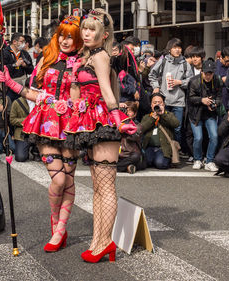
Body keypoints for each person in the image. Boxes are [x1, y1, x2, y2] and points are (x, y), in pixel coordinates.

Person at [0, 16, 84, 253]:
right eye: (63, 35)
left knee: (69, 179)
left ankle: (59, 231)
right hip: (46, 123)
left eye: (71, 37)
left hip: (71, 124)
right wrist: (11, 83)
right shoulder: (46, 59)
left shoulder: (83, 62)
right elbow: (37, 93)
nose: (66, 41)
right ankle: (56, 223)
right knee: (58, 179)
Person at [64, 9, 136, 262]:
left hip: (104, 122)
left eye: (92, 29)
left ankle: (105, 242)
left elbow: (107, 91)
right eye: (84, 27)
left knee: (105, 187)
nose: (86, 32)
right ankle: (98, 240)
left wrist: (119, 119)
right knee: (96, 187)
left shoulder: (102, 56)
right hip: (90, 123)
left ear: (104, 34)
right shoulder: (88, 56)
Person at [148, 38, 193, 145]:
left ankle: (175, 151)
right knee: (163, 126)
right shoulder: (163, 61)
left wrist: (180, 82)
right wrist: (156, 86)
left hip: (179, 101)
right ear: (169, 49)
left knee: (177, 127)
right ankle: (164, 149)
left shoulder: (185, 64)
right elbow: (152, 75)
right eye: (174, 48)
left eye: (179, 47)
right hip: (164, 101)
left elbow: (191, 81)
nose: (177, 50)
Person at [187, 58, 221, 171]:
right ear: (202, 72)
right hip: (195, 113)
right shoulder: (194, 81)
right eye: (206, 73)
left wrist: (215, 103)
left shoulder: (217, 80)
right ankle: (197, 159)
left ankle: (209, 160)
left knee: (214, 136)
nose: (208, 76)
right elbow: (190, 98)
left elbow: (220, 97)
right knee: (198, 138)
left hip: (210, 113)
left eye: (210, 73)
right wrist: (202, 100)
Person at [140, 93, 179, 169]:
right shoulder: (147, 116)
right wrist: (152, 119)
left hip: (163, 148)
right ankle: (153, 159)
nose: (157, 104)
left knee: (160, 164)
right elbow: (142, 128)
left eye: (160, 102)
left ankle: (160, 159)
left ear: (164, 104)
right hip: (149, 147)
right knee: (145, 162)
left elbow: (176, 124)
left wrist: (163, 114)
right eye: (155, 103)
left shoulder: (169, 114)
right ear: (151, 105)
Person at [2, 33, 34, 102]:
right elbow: (1, 69)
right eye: (21, 41)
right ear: (14, 42)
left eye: (24, 42)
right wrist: (15, 65)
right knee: (9, 103)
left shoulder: (24, 53)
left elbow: (31, 70)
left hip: (22, 84)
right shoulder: (5, 53)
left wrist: (25, 66)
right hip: (9, 86)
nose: (24, 44)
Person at [117, 101, 145, 173]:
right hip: (119, 154)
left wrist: (125, 123)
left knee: (136, 158)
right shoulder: (118, 123)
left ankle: (117, 167)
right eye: (126, 111)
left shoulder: (138, 126)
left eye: (129, 111)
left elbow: (132, 137)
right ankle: (127, 167)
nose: (127, 113)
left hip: (130, 154)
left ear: (135, 114)